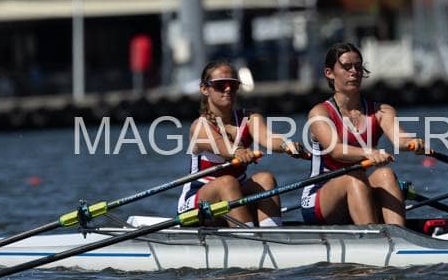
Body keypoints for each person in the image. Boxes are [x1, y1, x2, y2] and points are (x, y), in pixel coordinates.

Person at [301, 42, 424, 226]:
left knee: (385, 174)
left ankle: (399, 234)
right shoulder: (320, 113)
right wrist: (369, 152)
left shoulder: (381, 111)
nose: (354, 72)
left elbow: (400, 139)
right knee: (355, 177)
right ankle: (374, 237)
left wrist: (413, 143)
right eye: (346, 67)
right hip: (319, 197)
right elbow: (336, 150)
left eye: (358, 67)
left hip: (359, 190)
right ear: (329, 73)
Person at [178, 60, 305, 227]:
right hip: (198, 203)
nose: (228, 89)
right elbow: (223, 146)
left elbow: (267, 137)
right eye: (220, 85)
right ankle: (247, 236)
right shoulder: (200, 126)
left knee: (265, 178)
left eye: (233, 85)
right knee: (227, 182)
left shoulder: (250, 119)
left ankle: (273, 232)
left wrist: (286, 145)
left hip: (235, 195)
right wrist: (238, 152)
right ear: (204, 89)